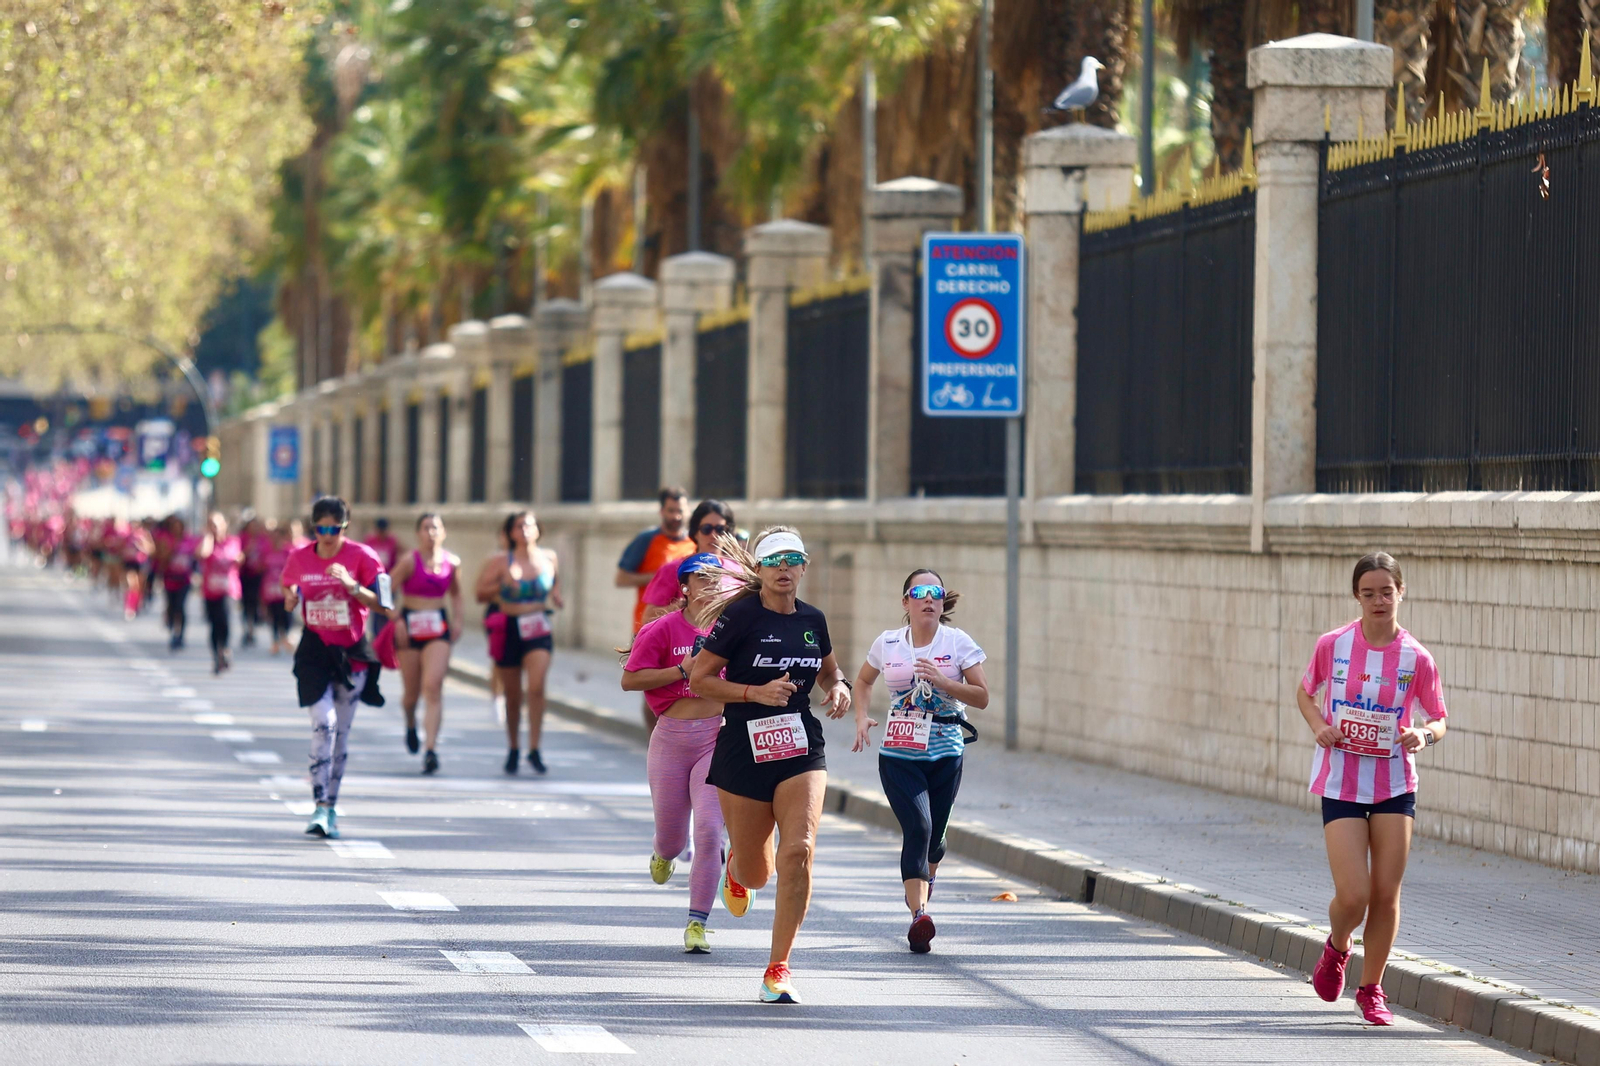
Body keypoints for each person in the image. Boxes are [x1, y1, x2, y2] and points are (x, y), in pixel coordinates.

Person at [689, 527, 852, 1004]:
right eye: (775, 560)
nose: (784, 568)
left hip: (800, 743)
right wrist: (754, 693)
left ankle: (777, 968)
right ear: (759, 569)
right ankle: (736, 866)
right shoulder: (741, 616)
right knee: (758, 874)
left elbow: (829, 670)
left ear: (804, 568)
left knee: (798, 851)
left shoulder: (813, 619)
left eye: (793, 560)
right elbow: (700, 679)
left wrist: (839, 687)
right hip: (744, 745)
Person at [1300, 552, 1448, 1026]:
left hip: (1394, 786)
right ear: (1357, 597)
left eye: (1387, 592)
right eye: (1369, 593)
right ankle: (1337, 946)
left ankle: (1371, 989)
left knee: (1385, 893)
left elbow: (1439, 718)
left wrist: (1424, 735)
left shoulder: (1416, 657)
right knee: (1354, 895)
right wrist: (1319, 726)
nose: (1379, 601)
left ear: (1401, 592)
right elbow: (1306, 691)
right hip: (1342, 781)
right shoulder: (1333, 645)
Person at [851, 569, 988, 954]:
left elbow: (982, 696)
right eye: (920, 592)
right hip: (899, 754)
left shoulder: (957, 643)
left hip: (946, 754)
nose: (929, 598)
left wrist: (945, 683)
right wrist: (861, 717)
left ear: (942, 602)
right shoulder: (888, 642)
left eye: (936, 593)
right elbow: (863, 681)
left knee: (935, 841)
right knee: (919, 827)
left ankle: (925, 883)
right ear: (906, 601)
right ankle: (919, 916)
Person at [621, 553, 727, 954]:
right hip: (670, 740)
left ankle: (697, 923)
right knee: (671, 840)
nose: (711, 584)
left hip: (715, 739)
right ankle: (662, 852)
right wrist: (682, 671)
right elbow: (630, 680)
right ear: (685, 587)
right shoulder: (662, 628)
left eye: (717, 578)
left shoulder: (731, 630)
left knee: (710, 831)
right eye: (702, 578)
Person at [281, 496, 388, 840]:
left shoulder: (363, 556)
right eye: (320, 529)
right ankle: (318, 804)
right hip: (314, 651)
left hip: (351, 653)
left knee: (340, 733)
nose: (326, 536)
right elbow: (289, 582)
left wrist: (352, 586)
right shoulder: (300, 556)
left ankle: (330, 808)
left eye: (334, 529)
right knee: (323, 725)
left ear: (345, 527)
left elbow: (385, 605)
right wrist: (291, 596)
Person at [475, 511, 562, 774]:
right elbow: (480, 593)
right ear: (510, 532)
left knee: (536, 688)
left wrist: (557, 596)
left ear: (538, 529)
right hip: (510, 628)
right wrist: (502, 585)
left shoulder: (549, 558)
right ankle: (513, 747)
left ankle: (535, 749)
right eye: (518, 526)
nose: (524, 529)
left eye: (529, 525)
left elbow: (555, 584)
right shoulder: (500, 561)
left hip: (538, 628)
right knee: (513, 696)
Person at [390, 513, 463, 774]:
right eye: (426, 528)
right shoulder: (409, 561)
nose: (431, 532)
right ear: (418, 533)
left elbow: (456, 594)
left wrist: (458, 621)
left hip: (437, 627)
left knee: (433, 686)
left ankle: (431, 749)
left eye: (436, 528)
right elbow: (385, 589)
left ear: (443, 532)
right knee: (411, 695)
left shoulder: (452, 562)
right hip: (410, 626)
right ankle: (410, 722)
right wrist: (396, 619)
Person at [617, 488, 694, 730]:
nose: (676, 516)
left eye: (680, 511)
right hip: (650, 624)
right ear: (661, 511)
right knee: (651, 690)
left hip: (684, 627)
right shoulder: (647, 540)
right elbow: (621, 578)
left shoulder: (693, 544)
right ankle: (655, 738)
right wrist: (662, 576)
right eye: (671, 510)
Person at [640, 499, 735, 628]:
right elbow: (647, 618)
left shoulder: (738, 570)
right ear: (695, 532)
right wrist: (684, 607)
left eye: (720, 529)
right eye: (706, 529)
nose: (713, 535)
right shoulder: (675, 569)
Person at [195, 512, 242, 674]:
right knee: (214, 624)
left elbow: (238, 558)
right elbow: (202, 554)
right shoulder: (206, 543)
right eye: (211, 525)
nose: (214, 528)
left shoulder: (233, 541)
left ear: (224, 525)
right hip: (210, 591)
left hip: (228, 589)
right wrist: (208, 537)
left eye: (217, 525)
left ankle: (226, 649)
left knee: (225, 620)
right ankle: (216, 656)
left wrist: (239, 559)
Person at [261, 520, 304, 655]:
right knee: (273, 615)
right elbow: (262, 568)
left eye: (278, 537)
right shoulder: (267, 551)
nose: (275, 540)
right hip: (270, 589)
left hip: (285, 589)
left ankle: (285, 636)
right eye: (273, 537)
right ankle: (275, 642)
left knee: (285, 614)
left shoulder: (288, 552)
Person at [158, 516, 198, 651]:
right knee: (172, 606)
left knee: (181, 607)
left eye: (179, 527)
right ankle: (171, 626)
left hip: (184, 579)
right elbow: (162, 558)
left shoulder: (189, 540)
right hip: (170, 578)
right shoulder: (166, 539)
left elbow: (195, 556)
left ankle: (180, 634)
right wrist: (173, 547)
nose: (177, 529)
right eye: (174, 527)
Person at [238, 513, 269, 648]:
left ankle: (253, 627)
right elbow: (238, 555)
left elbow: (267, 556)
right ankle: (247, 629)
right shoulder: (242, 538)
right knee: (246, 604)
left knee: (255, 602)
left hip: (258, 575)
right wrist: (246, 550)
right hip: (245, 575)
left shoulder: (263, 540)